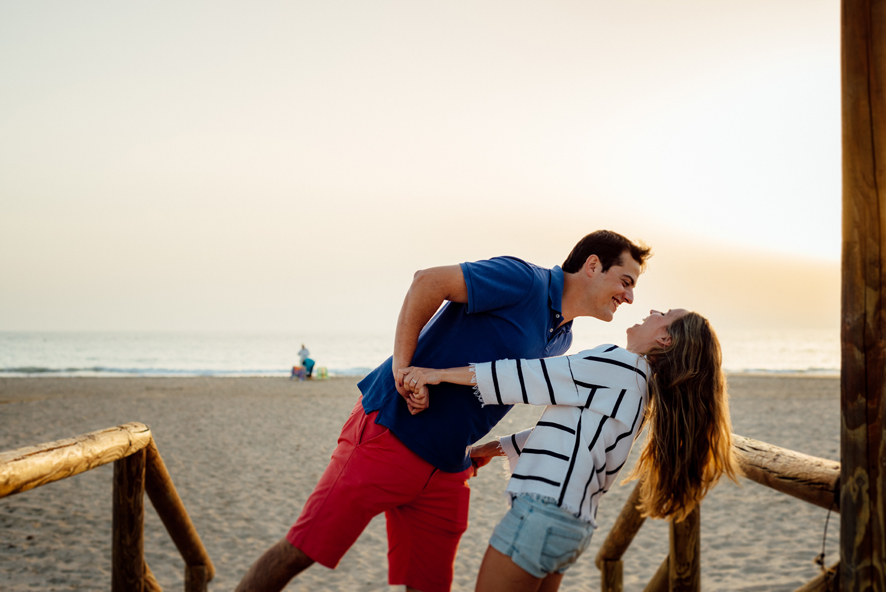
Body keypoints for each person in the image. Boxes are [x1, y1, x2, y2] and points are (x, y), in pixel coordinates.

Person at [235, 230, 651, 592]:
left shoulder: (562, 338)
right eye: (626, 281)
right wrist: (403, 370)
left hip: (449, 466)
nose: (630, 297)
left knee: (431, 586)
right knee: (304, 549)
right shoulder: (523, 279)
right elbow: (427, 282)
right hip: (389, 434)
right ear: (593, 265)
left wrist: (486, 450)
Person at [397, 309, 740, 592]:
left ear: (665, 339)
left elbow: (527, 375)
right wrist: (494, 448)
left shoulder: (619, 364)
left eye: (663, 314)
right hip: (571, 528)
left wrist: (437, 374)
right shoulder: (641, 389)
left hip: (541, 515)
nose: (652, 311)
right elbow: (573, 435)